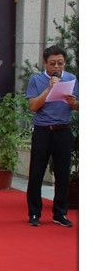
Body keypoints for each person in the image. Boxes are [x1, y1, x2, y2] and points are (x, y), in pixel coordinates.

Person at [25, 45, 79, 227]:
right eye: (53, 63)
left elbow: (78, 106)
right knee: (36, 172)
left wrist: (74, 103)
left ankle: (60, 213)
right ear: (45, 63)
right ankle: (34, 213)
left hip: (63, 130)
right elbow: (33, 106)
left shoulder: (71, 78)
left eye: (60, 63)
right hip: (43, 131)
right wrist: (49, 89)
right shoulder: (36, 79)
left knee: (63, 173)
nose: (57, 67)